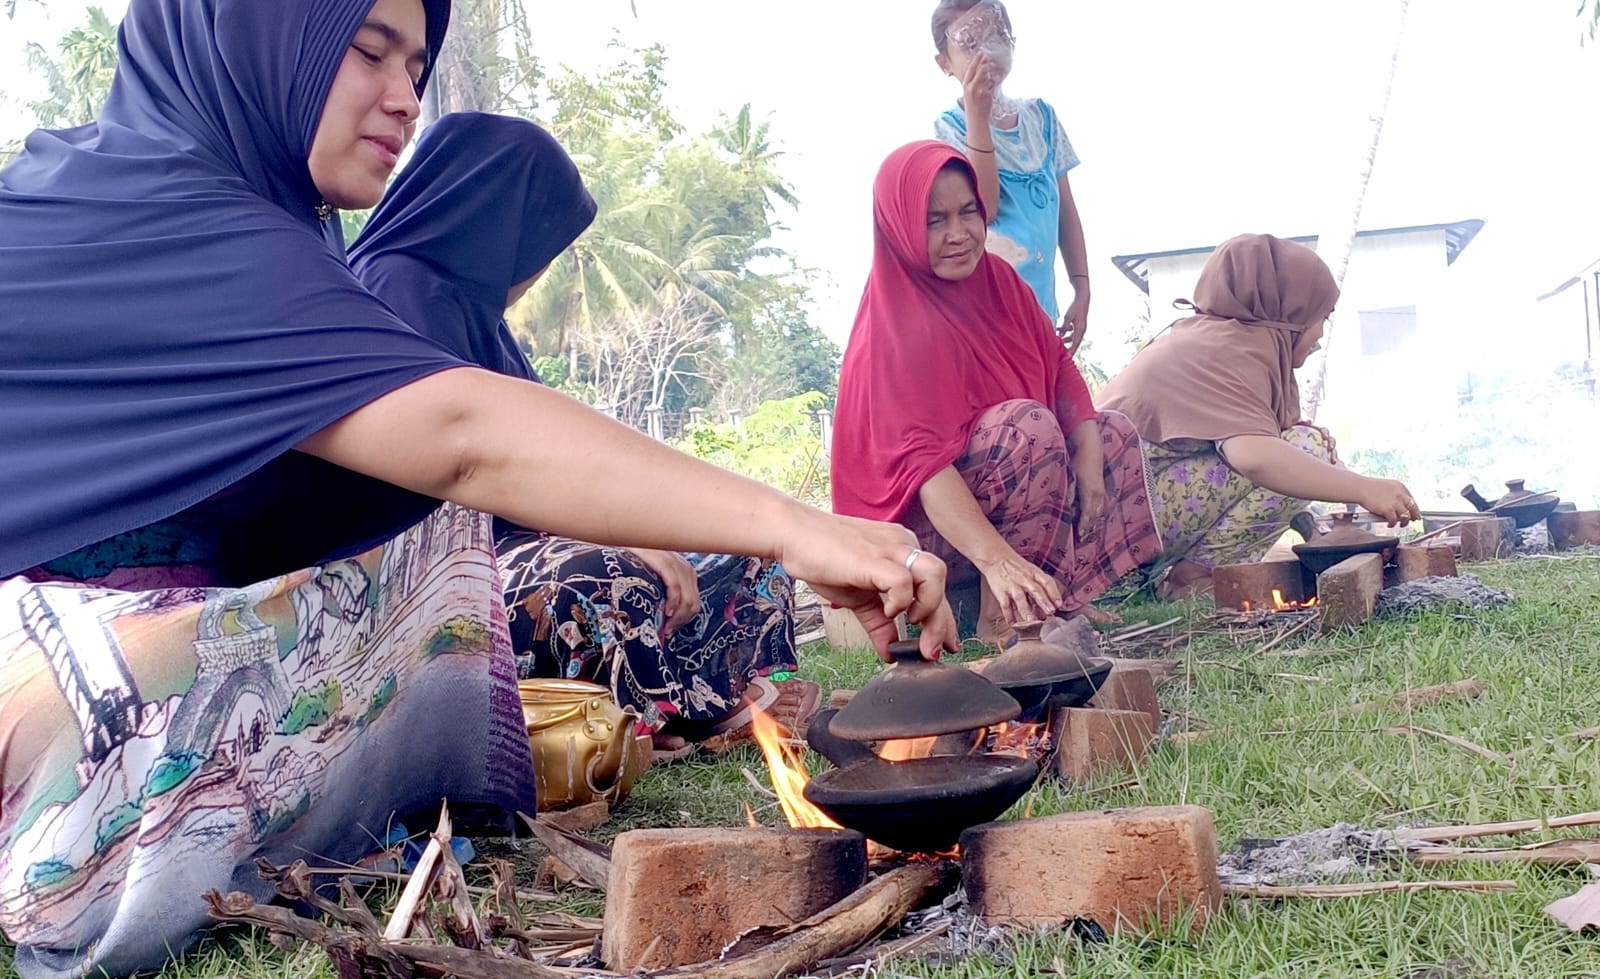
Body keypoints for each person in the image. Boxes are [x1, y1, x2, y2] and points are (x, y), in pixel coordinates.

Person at [0, 1, 955, 975]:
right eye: (368, 51)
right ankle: (85, 858)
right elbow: (460, 436)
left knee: (412, 564)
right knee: (412, 573)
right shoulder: (157, 208)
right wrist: (787, 525)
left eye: (417, 64)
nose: (404, 97)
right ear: (253, 44)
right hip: (49, 672)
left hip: (137, 624)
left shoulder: (239, 217)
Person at [347, 112, 814, 754]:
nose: (537, 272)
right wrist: (609, 531)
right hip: (437, 574)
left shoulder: (476, 315)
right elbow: (469, 477)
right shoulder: (397, 287)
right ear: (494, 223)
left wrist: (654, 524)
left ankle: (711, 701)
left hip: (527, 542)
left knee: (746, 548)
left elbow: (561, 461)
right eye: (537, 245)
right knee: (598, 578)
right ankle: (644, 716)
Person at [831, 140, 1161, 640]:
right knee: (1029, 428)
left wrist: (1090, 457)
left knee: (1110, 432)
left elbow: (1058, 368)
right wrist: (999, 562)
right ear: (898, 226)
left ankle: (1056, 597)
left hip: (990, 501)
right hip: (915, 537)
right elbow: (925, 470)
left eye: (968, 212)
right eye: (933, 221)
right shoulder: (893, 326)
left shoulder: (1000, 282)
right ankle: (1001, 617)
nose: (959, 235)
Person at [1098, 233, 1423, 599]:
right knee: (1303, 449)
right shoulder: (1227, 349)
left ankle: (1181, 577)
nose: (1319, 335)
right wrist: (1364, 488)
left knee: (1300, 447)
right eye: (1320, 318)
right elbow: (1255, 457)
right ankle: (1192, 582)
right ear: (1288, 313)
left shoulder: (1214, 338)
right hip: (1107, 533)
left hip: (1114, 525)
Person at [930, 0, 1092, 354]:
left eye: (996, 34)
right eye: (971, 43)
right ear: (945, 64)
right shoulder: (950, 128)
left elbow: (1066, 213)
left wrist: (1081, 287)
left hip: (1041, 314)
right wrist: (978, 116)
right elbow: (984, 207)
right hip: (989, 319)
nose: (987, 49)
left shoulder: (1042, 118)